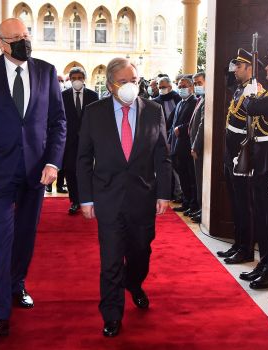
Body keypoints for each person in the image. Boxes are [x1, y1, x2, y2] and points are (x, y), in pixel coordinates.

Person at [0, 18, 66, 336]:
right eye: (16, 37)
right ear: (1, 43)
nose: (24, 41)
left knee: (25, 235)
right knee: (1, 239)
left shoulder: (47, 71)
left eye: (26, 34)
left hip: (36, 173)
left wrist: (53, 163)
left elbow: (58, 123)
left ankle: (17, 284)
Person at [76, 57, 172, 338]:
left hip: (143, 197)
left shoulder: (153, 111)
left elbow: (162, 156)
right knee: (111, 260)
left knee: (141, 252)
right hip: (107, 198)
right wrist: (86, 199)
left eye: (135, 80)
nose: (131, 86)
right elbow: (83, 158)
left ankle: (135, 282)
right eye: (124, 81)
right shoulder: (94, 113)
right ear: (110, 85)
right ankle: (112, 314)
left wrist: (164, 193)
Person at [238, 44, 268, 290]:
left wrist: (250, 97)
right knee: (262, 215)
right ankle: (265, 261)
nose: (267, 67)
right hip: (261, 156)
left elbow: (254, 108)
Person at [216, 48, 256, 264]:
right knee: (235, 202)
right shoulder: (240, 89)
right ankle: (238, 243)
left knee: (244, 204)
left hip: (243, 153)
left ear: (250, 68)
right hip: (230, 151)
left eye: (239, 66)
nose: (235, 70)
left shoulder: (254, 90)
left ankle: (247, 248)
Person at [61, 67, 99, 215]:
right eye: (74, 78)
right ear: (70, 80)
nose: (77, 80)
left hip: (88, 140)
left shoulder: (93, 96)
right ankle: (75, 201)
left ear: (84, 79)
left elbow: (97, 119)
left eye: (79, 77)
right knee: (70, 171)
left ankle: (88, 199)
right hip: (69, 141)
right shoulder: (62, 96)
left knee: (87, 170)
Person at [169, 77, 199, 216]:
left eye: (184, 86)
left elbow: (194, 123)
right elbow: (173, 123)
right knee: (183, 178)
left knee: (190, 178)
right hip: (177, 146)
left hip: (187, 146)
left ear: (191, 87)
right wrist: (169, 141)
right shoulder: (180, 103)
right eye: (179, 86)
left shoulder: (194, 102)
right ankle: (186, 202)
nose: (181, 88)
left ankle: (193, 205)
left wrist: (181, 128)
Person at [189, 72, 206, 223]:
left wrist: (195, 145)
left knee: (201, 180)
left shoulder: (207, 100)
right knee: (197, 179)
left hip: (201, 148)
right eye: (195, 84)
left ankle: (203, 211)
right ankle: (200, 209)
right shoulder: (201, 99)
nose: (196, 86)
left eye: (199, 83)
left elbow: (202, 125)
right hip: (196, 147)